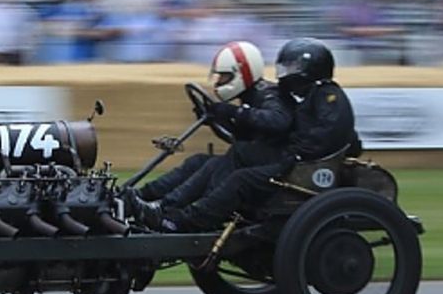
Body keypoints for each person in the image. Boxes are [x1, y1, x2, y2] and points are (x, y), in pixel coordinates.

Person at [142, 38, 358, 233]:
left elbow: (285, 125)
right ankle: (150, 198)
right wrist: (219, 118)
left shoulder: (321, 96)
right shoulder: (312, 96)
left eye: (292, 67)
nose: (285, 73)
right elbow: (247, 134)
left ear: (312, 68)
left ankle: (187, 216)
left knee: (239, 173)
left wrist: (235, 113)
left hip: (300, 165)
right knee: (201, 161)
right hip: (293, 159)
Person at [123, 40, 292, 220]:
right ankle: (142, 196)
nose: (219, 82)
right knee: (197, 162)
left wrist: (233, 112)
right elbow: (239, 136)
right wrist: (215, 120)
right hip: (256, 160)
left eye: (225, 77)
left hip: (275, 164)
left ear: (242, 73)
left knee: (217, 163)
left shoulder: (269, 94)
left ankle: (166, 207)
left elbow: (277, 121)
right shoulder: (249, 97)